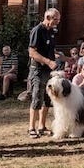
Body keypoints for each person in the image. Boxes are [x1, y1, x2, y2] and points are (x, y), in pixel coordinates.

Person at [27, 8, 61, 138]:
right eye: (55, 20)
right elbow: (32, 52)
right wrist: (48, 62)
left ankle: (42, 126)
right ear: (48, 17)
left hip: (49, 71)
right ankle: (31, 128)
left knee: (48, 99)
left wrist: (65, 58)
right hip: (38, 70)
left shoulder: (51, 31)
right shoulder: (37, 30)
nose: (57, 23)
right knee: (37, 97)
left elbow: (52, 51)